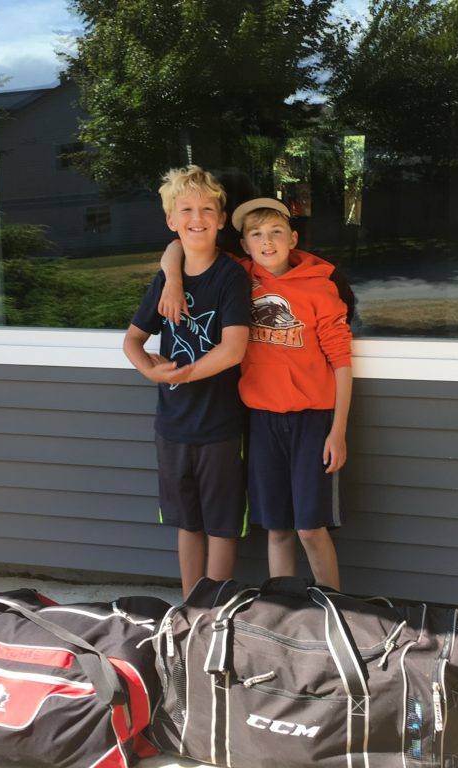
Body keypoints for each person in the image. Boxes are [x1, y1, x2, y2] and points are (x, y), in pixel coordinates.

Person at [159, 198, 353, 590]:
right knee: (276, 527)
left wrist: (338, 430)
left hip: (312, 421)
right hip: (261, 421)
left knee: (310, 528)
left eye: (276, 232)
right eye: (256, 235)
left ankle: (335, 610)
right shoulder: (239, 275)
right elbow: (180, 245)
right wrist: (173, 280)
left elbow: (342, 362)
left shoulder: (320, 286)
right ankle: (283, 612)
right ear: (244, 245)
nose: (267, 242)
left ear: (293, 238)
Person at [122, 165, 251, 596]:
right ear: (172, 221)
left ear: (220, 218)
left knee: (221, 524)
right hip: (172, 426)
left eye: (207, 209)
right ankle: (191, 610)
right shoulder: (165, 279)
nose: (197, 217)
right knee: (187, 522)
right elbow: (133, 341)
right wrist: (150, 370)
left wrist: (183, 373)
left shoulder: (231, 276)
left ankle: (216, 614)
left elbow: (233, 349)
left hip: (220, 425)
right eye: (187, 210)